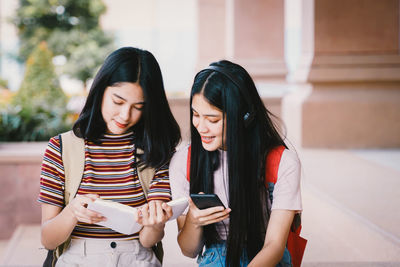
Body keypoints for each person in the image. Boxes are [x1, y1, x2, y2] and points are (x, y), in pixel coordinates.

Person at [38, 47, 181, 267]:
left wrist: (154, 225)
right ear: (100, 90)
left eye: (138, 107)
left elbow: (148, 240)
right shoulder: (61, 148)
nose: (125, 115)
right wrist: (72, 212)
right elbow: (48, 240)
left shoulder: (157, 150)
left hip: (137, 259)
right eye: (118, 101)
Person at [169, 60, 302, 267]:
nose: (201, 127)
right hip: (214, 258)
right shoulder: (184, 161)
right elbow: (188, 250)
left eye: (212, 120)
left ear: (244, 117)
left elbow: (274, 246)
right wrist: (194, 221)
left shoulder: (282, 162)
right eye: (196, 115)